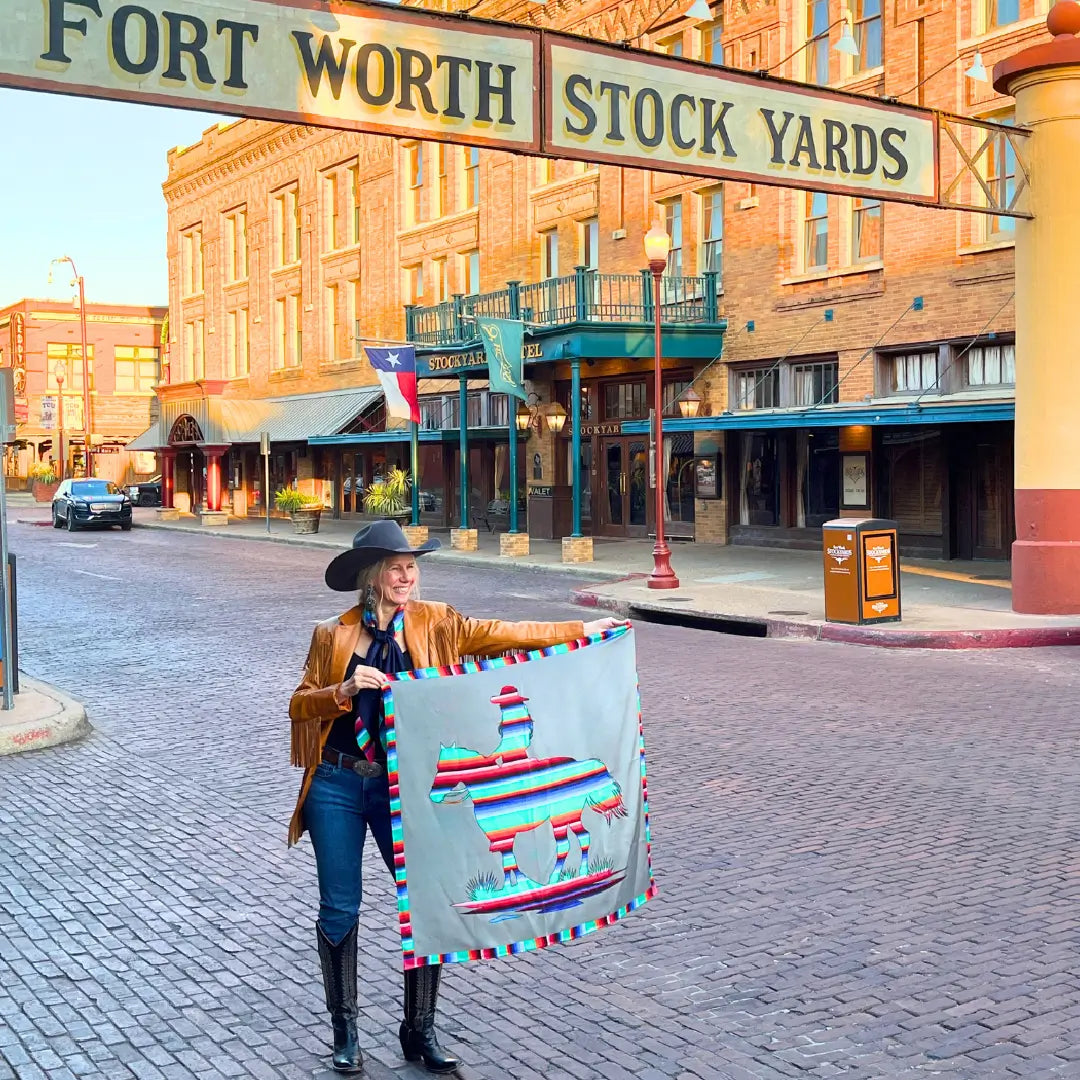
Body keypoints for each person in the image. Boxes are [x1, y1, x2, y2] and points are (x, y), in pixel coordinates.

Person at [288, 520, 623, 1074]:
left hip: (405, 785)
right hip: (338, 783)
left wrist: (585, 630)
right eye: (395, 567)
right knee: (340, 907)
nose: (406, 575)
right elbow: (299, 705)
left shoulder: (437, 623)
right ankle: (344, 1030)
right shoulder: (334, 634)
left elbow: (507, 633)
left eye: (411, 566)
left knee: (427, 901)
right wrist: (343, 691)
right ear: (372, 577)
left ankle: (418, 1029)